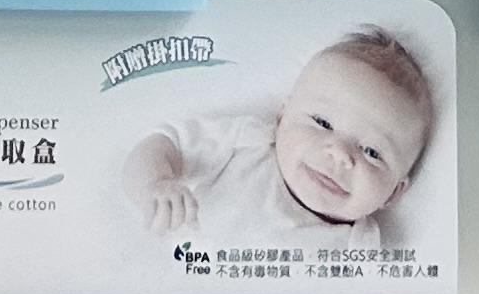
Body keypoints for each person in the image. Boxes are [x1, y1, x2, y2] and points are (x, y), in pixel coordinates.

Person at [124, 29, 436, 247]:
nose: (340, 154)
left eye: (372, 152)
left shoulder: (358, 247)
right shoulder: (245, 144)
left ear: (394, 193)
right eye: (323, 123)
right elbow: (164, 141)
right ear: (282, 116)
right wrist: (156, 182)